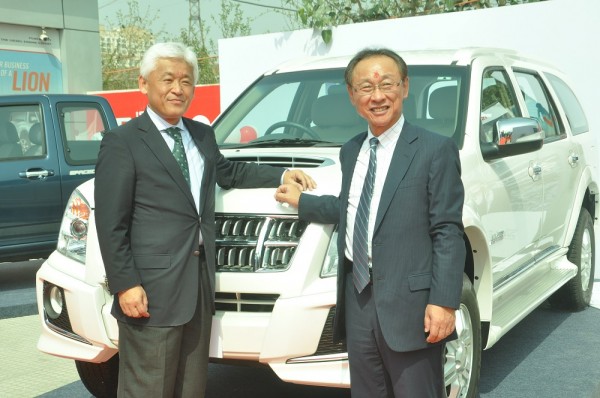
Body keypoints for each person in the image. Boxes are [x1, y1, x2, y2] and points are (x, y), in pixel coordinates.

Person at [95, 42, 315, 398]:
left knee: (191, 387)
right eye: (167, 79)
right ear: (143, 84)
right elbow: (111, 223)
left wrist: (283, 174)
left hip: (198, 285)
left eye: (186, 81)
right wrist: (125, 284)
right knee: (147, 388)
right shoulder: (122, 143)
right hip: (150, 289)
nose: (178, 89)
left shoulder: (200, 135)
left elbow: (229, 172)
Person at [275, 48, 465, 397]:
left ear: (405, 87)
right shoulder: (352, 151)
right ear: (352, 96)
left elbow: (448, 231)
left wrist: (444, 302)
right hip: (359, 301)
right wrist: (303, 202)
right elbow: (354, 210)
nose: (377, 96)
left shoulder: (434, 149)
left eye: (387, 84)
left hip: (412, 306)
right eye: (365, 87)